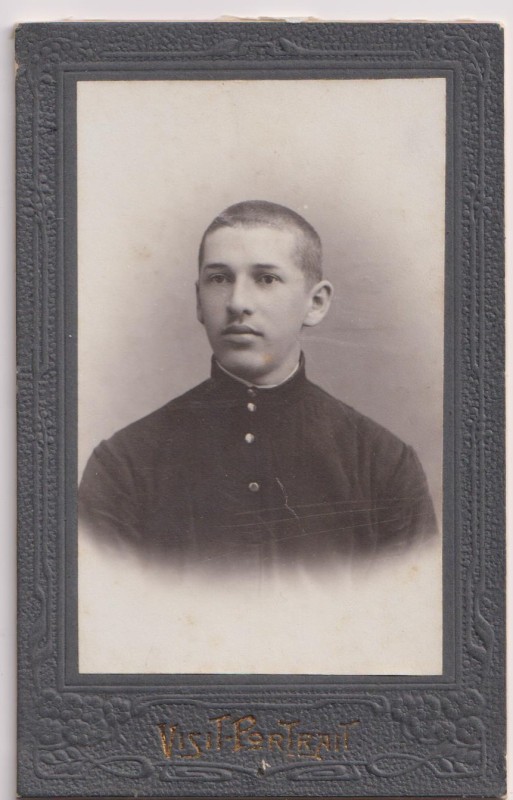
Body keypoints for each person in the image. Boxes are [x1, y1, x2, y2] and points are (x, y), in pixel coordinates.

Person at [79, 200, 438, 573]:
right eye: (219, 278)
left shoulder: (383, 465)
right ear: (199, 301)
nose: (237, 303)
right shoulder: (123, 466)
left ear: (315, 303)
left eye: (266, 279)